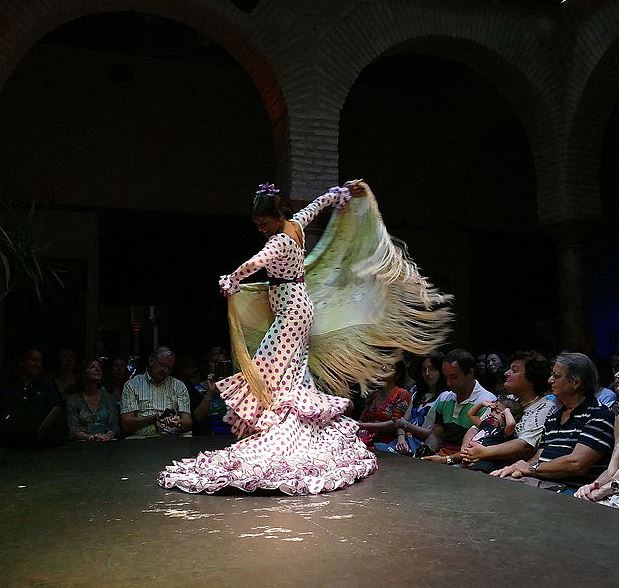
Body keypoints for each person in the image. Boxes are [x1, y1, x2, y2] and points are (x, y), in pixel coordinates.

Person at [159, 180, 450, 495]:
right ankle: (288, 425)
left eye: (263, 222)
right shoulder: (294, 225)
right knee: (290, 374)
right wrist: (333, 195)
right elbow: (315, 207)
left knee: (265, 367)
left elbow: (257, 261)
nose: (261, 228)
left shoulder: (281, 240)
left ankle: (283, 429)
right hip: (297, 309)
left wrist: (234, 278)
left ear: (276, 215)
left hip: (292, 315)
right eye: (256, 224)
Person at [491, 352, 615, 490]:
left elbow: (576, 464)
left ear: (575, 383)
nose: (550, 380)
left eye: (556, 376)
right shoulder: (555, 416)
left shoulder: (598, 414)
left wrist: (531, 469)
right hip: (543, 482)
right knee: (498, 482)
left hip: (573, 490)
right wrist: (517, 469)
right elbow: (539, 456)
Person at [459, 351, 555, 470]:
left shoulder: (545, 407)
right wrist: (465, 451)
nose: (506, 373)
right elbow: (477, 428)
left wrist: (484, 452)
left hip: (508, 470)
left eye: (514, 370)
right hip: (475, 458)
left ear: (532, 378)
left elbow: (524, 445)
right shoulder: (506, 400)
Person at [418, 349, 496, 460]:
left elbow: (478, 447)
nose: (448, 383)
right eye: (446, 377)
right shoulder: (444, 398)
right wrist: (427, 449)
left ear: (470, 373)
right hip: (442, 457)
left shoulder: (487, 403)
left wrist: (446, 459)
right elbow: (436, 435)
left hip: (467, 461)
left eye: (454, 377)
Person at [0, 348, 68, 447]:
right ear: (22, 362)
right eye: (33, 360)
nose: (38, 364)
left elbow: (55, 414)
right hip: (11, 444)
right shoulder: (8, 386)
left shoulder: (47, 387)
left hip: (41, 444)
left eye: (40, 361)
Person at [120, 346, 192, 437]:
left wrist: (179, 422)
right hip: (141, 441)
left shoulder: (179, 386)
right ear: (151, 361)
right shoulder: (132, 385)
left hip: (172, 440)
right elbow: (126, 424)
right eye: (163, 365)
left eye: (169, 368)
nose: (166, 371)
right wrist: (155, 418)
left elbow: (188, 423)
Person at [390, 351, 446, 455]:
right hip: (405, 441)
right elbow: (402, 421)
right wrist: (401, 438)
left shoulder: (445, 397)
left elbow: (433, 434)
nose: (427, 373)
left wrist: (406, 425)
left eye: (432, 369)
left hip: (425, 446)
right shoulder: (416, 394)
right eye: (424, 370)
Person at [356, 362, 412, 448]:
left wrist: (361, 426)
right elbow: (362, 418)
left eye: (391, 366)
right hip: (365, 438)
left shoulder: (402, 394)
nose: (384, 368)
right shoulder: (373, 394)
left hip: (388, 442)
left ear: (398, 374)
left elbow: (395, 423)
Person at [66, 359, 119, 441]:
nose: (98, 369)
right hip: (81, 445)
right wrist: (90, 437)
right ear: (83, 372)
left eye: (99, 367)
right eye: (92, 367)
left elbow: (114, 425)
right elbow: (73, 428)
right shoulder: (74, 400)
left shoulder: (109, 398)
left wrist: (108, 436)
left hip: (106, 443)